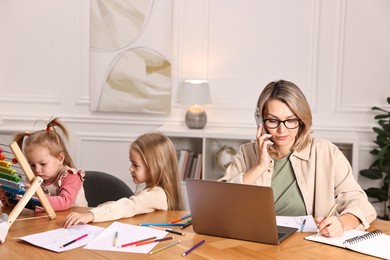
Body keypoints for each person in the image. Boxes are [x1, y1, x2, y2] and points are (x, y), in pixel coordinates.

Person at [219, 79, 377, 237]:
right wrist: (260, 166)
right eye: (273, 121)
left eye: (290, 120)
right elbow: (219, 205)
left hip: (308, 247)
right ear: (260, 121)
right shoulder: (247, 153)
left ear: (301, 121)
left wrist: (342, 223)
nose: (282, 130)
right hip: (255, 243)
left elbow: (360, 204)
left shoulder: (325, 152)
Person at [63, 132, 184, 228]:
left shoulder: (157, 195)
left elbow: (129, 206)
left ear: (155, 167)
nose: (130, 168)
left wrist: (90, 215)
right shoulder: (152, 191)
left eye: (136, 165)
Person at [0, 118, 88, 211]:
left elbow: (65, 201)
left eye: (43, 164)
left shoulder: (70, 176)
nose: (37, 170)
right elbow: (30, 205)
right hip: (49, 222)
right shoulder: (37, 179)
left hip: (76, 221)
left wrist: (34, 199)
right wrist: (10, 199)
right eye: (32, 165)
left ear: (60, 158)